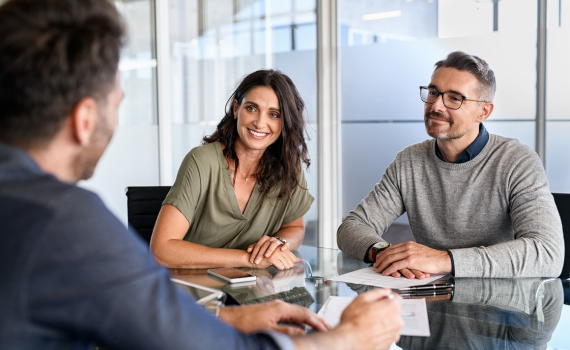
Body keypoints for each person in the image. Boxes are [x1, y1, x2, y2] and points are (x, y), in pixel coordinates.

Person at [0, 0, 404, 349]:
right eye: (118, 101)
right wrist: (348, 338)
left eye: (274, 114)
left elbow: (139, 325)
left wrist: (229, 318)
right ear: (85, 119)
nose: (260, 121)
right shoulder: (65, 223)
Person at [337, 51, 564, 279]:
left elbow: (547, 253)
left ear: (483, 111)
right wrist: (383, 253)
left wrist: (443, 259)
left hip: (502, 305)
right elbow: (352, 227)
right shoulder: (408, 161)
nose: (436, 106)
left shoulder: (516, 161)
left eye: (455, 98)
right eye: (433, 92)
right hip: (430, 298)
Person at [150, 70, 313, 270]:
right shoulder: (201, 161)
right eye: (252, 108)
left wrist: (279, 243)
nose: (260, 123)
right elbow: (161, 250)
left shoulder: (289, 166)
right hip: (193, 290)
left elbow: (294, 227)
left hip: (252, 291)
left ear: (285, 121)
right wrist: (248, 259)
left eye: (274, 114)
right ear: (236, 109)